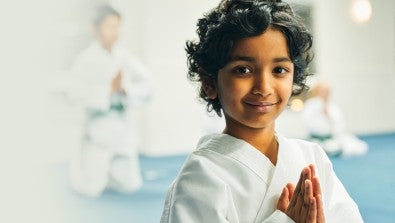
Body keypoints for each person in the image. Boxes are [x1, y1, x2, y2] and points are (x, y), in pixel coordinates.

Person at [160, 0, 363, 222]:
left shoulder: (311, 157)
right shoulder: (201, 176)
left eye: (279, 70)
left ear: (294, 77)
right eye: (243, 70)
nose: (264, 87)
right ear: (209, 82)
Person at [69, 5, 152, 197]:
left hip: (123, 128)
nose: (115, 32)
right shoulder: (85, 60)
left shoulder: (125, 57)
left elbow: (147, 86)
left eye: (117, 27)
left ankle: (113, 176)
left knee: (129, 186)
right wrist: (109, 89)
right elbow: (76, 96)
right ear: (95, 29)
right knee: (90, 189)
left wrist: (126, 89)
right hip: (98, 131)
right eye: (109, 27)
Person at [301, 82, 368, 157]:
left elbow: (340, 124)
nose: (325, 93)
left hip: (332, 137)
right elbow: (309, 124)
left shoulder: (333, 106)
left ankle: (333, 150)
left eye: (327, 91)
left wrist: (328, 116)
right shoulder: (310, 105)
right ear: (317, 91)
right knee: (317, 150)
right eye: (323, 91)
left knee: (359, 146)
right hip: (317, 139)